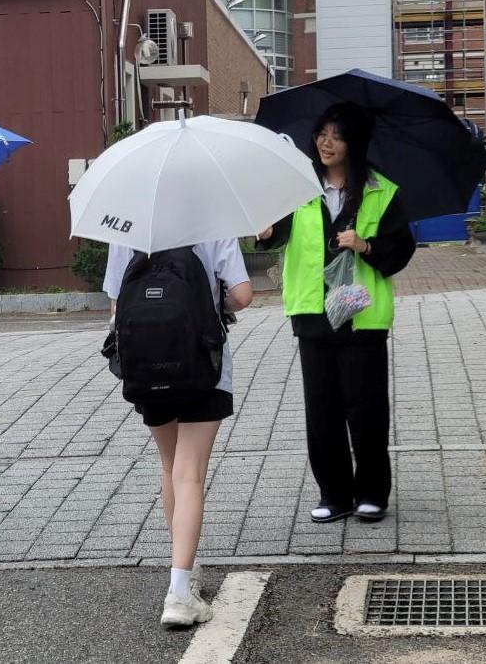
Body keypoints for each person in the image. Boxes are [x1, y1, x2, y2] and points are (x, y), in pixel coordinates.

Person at [258, 102, 415, 524]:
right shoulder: (298, 188)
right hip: (311, 312)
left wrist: (365, 245)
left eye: (338, 136)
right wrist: (268, 232)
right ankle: (334, 493)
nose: (326, 143)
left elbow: (402, 250)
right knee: (322, 410)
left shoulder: (382, 191)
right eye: (322, 133)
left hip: (362, 315)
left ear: (354, 142)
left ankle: (371, 494)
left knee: (366, 410)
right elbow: (277, 238)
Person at [103, 240, 253, 628]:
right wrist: (215, 302)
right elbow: (243, 295)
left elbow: (117, 305)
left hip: (147, 368)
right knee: (190, 473)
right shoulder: (214, 219)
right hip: (204, 364)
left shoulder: (127, 225)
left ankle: (184, 567)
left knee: (171, 466)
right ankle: (180, 592)